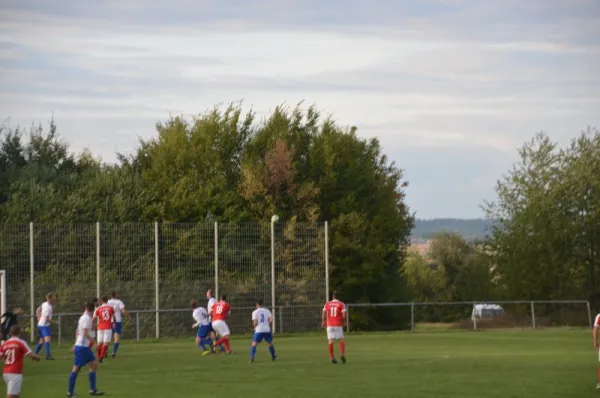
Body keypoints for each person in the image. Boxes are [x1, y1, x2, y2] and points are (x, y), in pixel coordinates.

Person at [67, 302, 104, 397]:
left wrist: (75, 344)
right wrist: (94, 342)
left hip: (84, 347)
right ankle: (70, 392)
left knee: (94, 365)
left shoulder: (83, 317)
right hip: (82, 347)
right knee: (76, 369)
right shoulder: (86, 318)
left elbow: (77, 331)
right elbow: (84, 332)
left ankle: (93, 390)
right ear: (92, 310)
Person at [0, 325, 40, 398]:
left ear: (10, 333)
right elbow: (31, 356)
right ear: (19, 332)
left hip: (6, 372)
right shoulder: (20, 342)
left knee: (16, 395)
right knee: (11, 396)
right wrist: (37, 357)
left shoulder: (5, 344)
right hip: (15, 372)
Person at [322, 291, 347, 364]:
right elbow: (344, 314)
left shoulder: (327, 304)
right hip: (338, 324)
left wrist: (323, 321)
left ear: (333, 297)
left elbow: (323, 312)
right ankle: (342, 354)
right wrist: (344, 321)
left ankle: (332, 357)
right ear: (339, 297)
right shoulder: (341, 304)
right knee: (341, 340)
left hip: (329, 325)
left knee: (330, 341)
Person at [34, 293, 56, 360]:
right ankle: (48, 355)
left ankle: (34, 353)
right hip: (44, 326)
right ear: (50, 298)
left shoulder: (44, 304)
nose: (55, 299)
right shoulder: (48, 307)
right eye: (53, 297)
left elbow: (37, 310)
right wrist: (55, 322)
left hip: (40, 325)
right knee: (47, 339)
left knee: (42, 340)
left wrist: (39, 319)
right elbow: (47, 319)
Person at [93, 297, 115, 363]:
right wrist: (114, 323)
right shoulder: (111, 308)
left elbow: (93, 318)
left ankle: (98, 356)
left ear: (102, 301)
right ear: (107, 301)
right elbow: (113, 317)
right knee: (106, 343)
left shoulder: (98, 309)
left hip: (100, 327)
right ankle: (101, 357)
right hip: (108, 327)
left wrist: (93, 325)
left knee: (99, 343)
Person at [107, 291, 129, 358]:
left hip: (109, 321)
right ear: (116, 295)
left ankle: (105, 351)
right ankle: (114, 352)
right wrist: (128, 316)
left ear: (111, 295)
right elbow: (123, 311)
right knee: (116, 338)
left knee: (108, 337)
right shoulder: (119, 301)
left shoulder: (108, 302)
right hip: (117, 321)